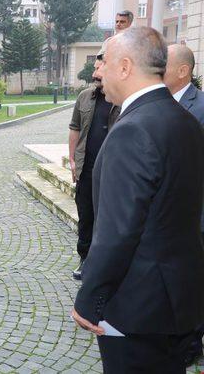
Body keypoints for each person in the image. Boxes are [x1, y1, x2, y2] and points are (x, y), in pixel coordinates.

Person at [71, 27, 204, 373]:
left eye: (105, 63)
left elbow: (117, 232)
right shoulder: (187, 121)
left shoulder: (133, 129)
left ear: (126, 67)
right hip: (179, 302)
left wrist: (89, 300)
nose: (98, 71)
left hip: (137, 310)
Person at [164, 43, 204, 366]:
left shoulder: (200, 106)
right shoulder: (159, 103)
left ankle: (193, 343)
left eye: (165, 63)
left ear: (182, 71)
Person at [68, 52, 120, 280]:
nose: (97, 78)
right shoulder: (84, 97)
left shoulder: (119, 100)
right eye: (95, 75)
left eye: (101, 73)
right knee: (86, 217)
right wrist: (72, 160)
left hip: (112, 172)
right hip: (86, 170)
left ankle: (104, 263)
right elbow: (74, 128)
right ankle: (85, 259)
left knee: (106, 218)